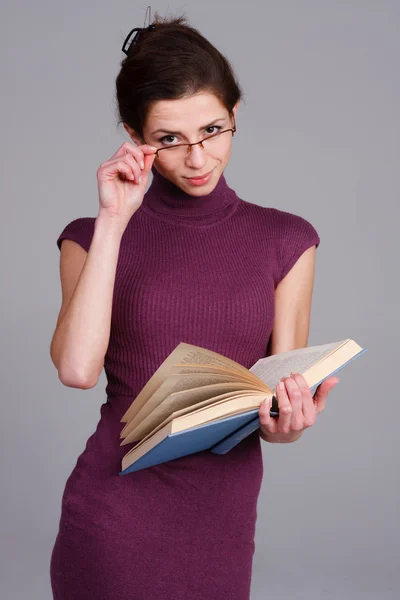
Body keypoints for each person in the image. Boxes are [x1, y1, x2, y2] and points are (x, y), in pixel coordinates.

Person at [49, 13, 339, 600]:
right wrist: (112, 219)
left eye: (211, 130)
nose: (198, 158)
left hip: (222, 521)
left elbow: (277, 402)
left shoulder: (287, 241)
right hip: (114, 517)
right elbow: (77, 371)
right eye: (170, 140)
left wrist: (289, 426)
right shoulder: (90, 235)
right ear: (136, 137)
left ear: (235, 114)